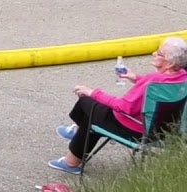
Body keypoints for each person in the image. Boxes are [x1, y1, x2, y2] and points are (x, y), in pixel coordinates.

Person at [48, 36, 187, 175]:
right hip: (164, 131)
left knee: (86, 103)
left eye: (159, 53)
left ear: (169, 63)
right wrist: (134, 77)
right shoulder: (182, 76)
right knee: (93, 112)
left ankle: (71, 162)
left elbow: (124, 106)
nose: (154, 54)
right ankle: (76, 137)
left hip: (136, 130)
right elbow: (155, 88)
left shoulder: (153, 81)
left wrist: (93, 92)